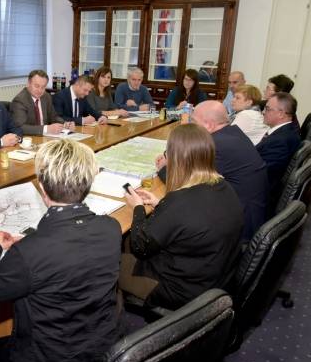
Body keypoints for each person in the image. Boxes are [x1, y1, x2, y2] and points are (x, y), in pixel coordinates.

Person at [0, 139, 122, 362]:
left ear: (41, 187)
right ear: (89, 183)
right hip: (103, 349)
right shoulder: (112, 228)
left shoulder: (29, 252)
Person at [121, 124, 243, 310]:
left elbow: (140, 247)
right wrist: (160, 204)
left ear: (177, 159)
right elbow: (192, 217)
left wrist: (137, 208)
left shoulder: (180, 201)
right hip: (214, 277)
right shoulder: (224, 186)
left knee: (109, 264)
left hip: (181, 289)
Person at [190, 101, 268, 241]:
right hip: (250, 211)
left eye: (194, 122)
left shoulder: (216, 145)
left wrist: (165, 168)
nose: (191, 126)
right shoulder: (233, 133)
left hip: (238, 227)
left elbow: (191, 184)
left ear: (209, 125)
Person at [256, 92, 301, 211]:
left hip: (259, 198)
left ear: (281, 114)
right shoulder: (286, 132)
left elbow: (261, 174)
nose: (263, 112)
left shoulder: (280, 141)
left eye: (267, 109)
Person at [11, 70, 67, 135]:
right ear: (28, 83)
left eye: (43, 87)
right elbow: (20, 127)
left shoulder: (46, 96)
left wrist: (64, 124)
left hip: (47, 137)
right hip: (30, 138)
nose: (40, 90)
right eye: (37, 86)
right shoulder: (20, 101)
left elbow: (53, 117)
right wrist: (46, 129)